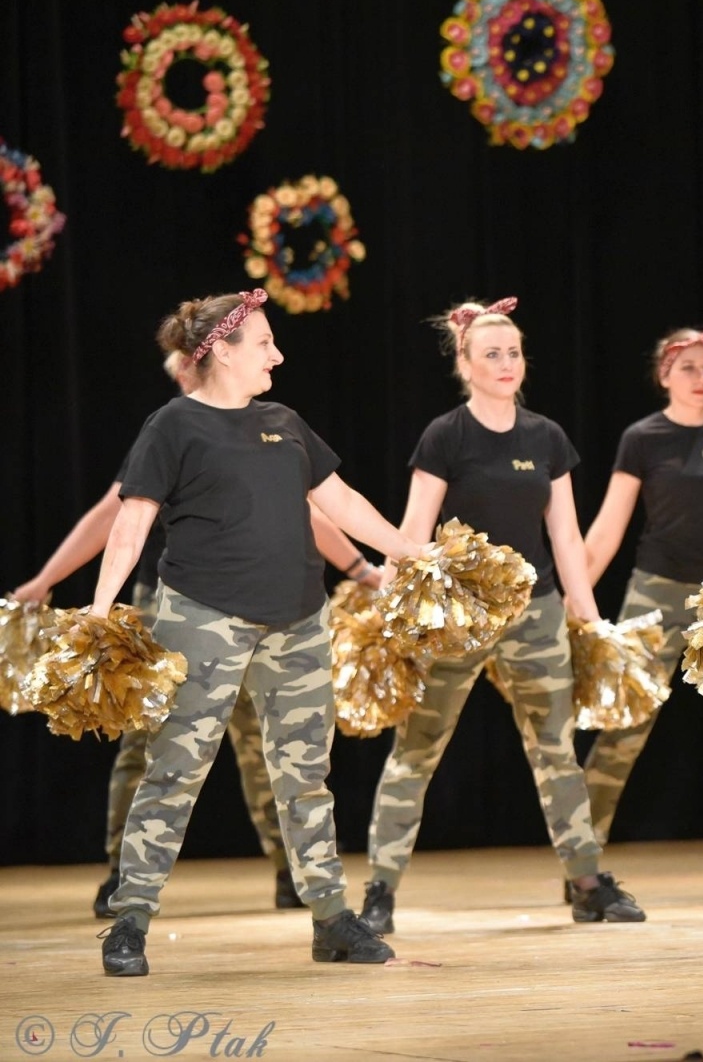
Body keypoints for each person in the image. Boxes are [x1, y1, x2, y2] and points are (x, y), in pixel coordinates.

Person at [93, 289, 422, 976]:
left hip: (298, 620)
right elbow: (132, 521)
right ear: (222, 350)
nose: (278, 354)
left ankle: (331, 920)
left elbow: (341, 502)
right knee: (175, 769)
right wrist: (100, 611)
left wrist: (411, 554)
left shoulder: (285, 422)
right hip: (202, 618)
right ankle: (130, 919)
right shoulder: (172, 424)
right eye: (265, 343)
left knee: (305, 775)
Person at [11, 349, 384, 918]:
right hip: (176, 603)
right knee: (155, 744)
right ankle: (125, 876)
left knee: (272, 746)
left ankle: (296, 874)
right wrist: (50, 583)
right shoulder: (170, 429)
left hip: (267, 607)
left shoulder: (270, 427)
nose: (184, 372)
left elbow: (312, 509)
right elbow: (113, 518)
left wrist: (361, 568)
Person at [358, 297, 646, 934]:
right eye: (492, 354)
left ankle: (587, 884)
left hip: (536, 612)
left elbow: (566, 539)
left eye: (513, 352)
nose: (507, 362)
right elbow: (413, 528)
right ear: (465, 364)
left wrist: (589, 619)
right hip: (457, 617)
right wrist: (389, 611)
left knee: (556, 749)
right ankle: (380, 889)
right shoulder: (446, 436)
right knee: (418, 749)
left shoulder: (546, 437)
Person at [581, 325, 703, 894]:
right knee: (624, 727)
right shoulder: (642, 438)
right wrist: (575, 594)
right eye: (689, 367)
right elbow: (609, 527)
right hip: (655, 593)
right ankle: (582, 862)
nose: (701, 378)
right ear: (664, 374)